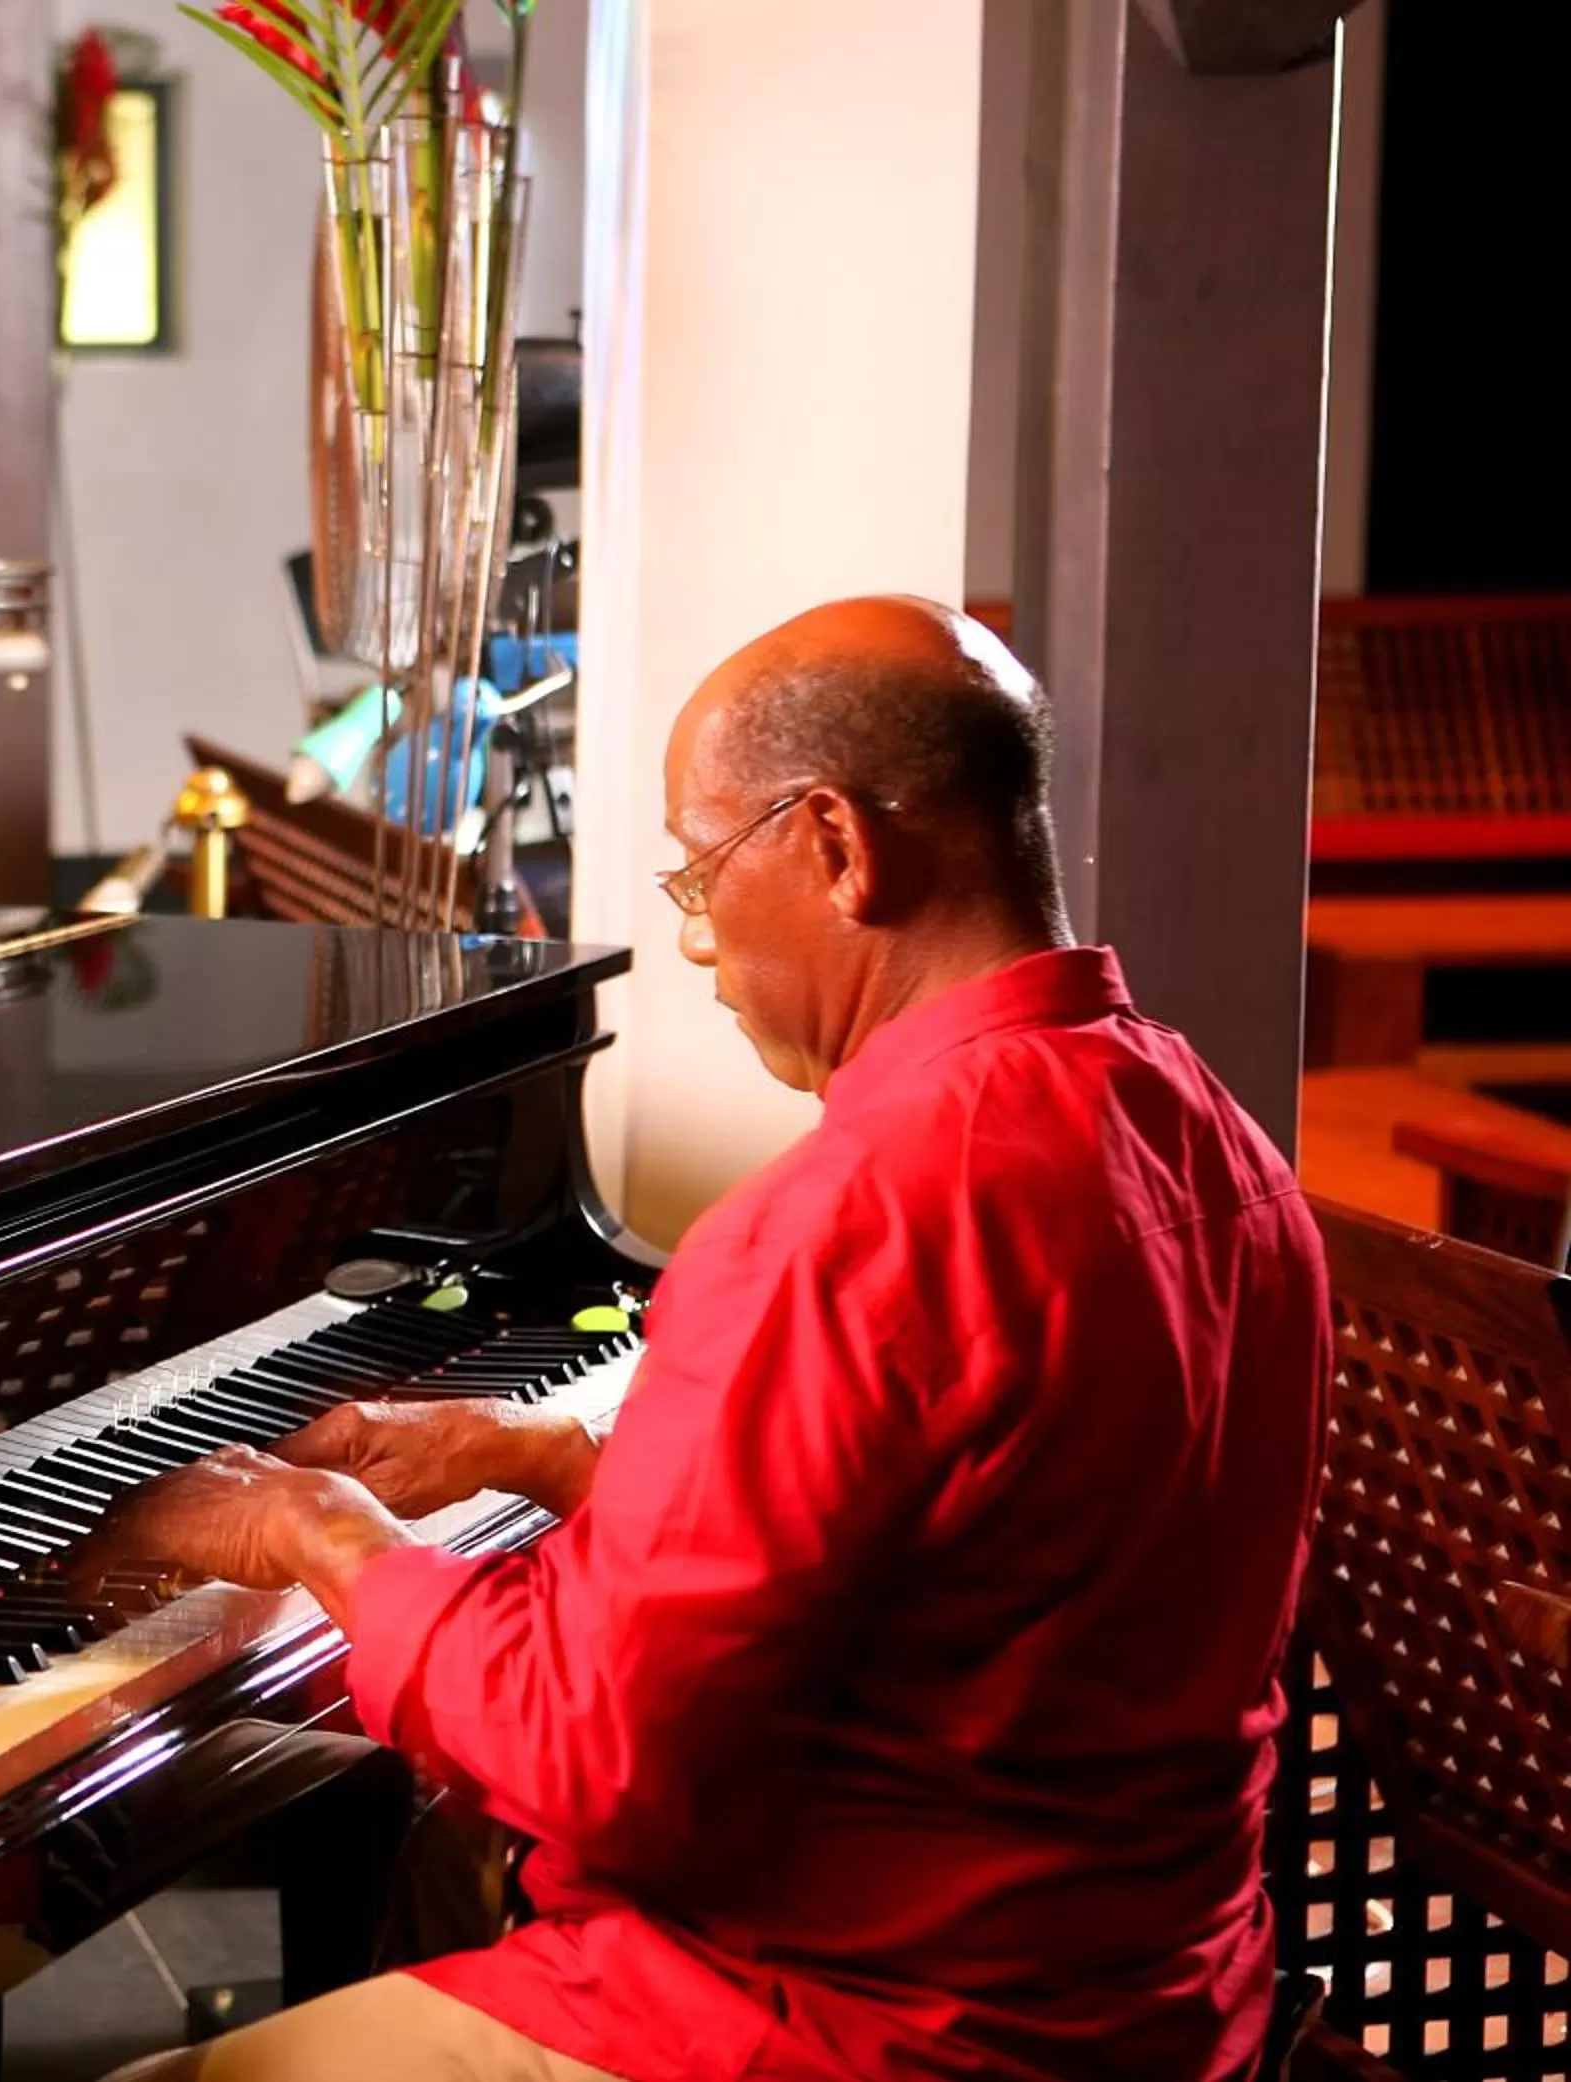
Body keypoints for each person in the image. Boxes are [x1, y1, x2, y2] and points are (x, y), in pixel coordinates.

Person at [81, 596, 1330, 2081]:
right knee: (436, 1879)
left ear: (836, 845)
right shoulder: (1212, 1137)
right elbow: (961, 1560)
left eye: (701, 868)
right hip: (1155, 2001)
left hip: (862, 2025)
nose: (691, 937)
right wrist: (546, 1453)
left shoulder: (844, 1225)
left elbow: (592, 1761)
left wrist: (320, 1530)